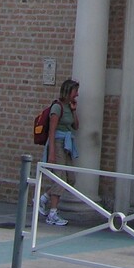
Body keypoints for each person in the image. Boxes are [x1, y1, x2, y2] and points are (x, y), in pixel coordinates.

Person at [38, 78, 79, 226]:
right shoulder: (57, 107)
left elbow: (76, 126)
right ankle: (53, 213)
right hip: (58, 143)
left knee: (70, 179)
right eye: (75, 91)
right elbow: (52, 130)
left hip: (67, 145)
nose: (77, 94)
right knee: (60, 179)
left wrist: (74, 111)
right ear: (68, 91)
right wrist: (52, 153)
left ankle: (42, 199)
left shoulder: (69, 107)